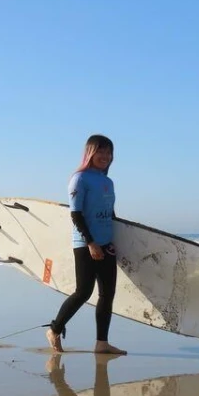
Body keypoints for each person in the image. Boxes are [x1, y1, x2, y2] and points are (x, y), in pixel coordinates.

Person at [46, 134, 126, 355]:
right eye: (101, 151)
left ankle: (102, 343)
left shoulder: (108, 182)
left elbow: (110, 214)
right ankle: (55, 329)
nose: (105, 156)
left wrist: (115, 240)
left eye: (109, 152)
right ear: (90, 152)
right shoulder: (79, 179)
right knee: (83, 292)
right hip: (85, 243)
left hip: (107, 243)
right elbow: (76, 214)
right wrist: (91, 243)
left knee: (107, 294)